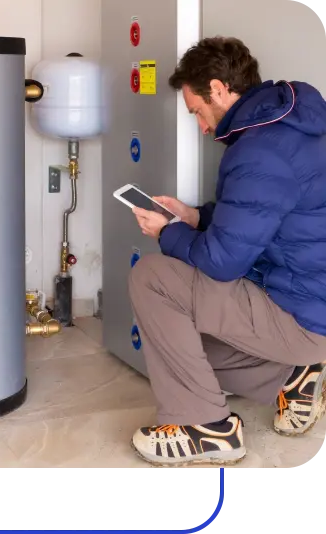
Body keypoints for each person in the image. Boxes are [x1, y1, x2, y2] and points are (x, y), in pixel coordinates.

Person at [128, 36, 326, 466]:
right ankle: (292, 376)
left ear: (218, 89)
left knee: (153, 277)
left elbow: (222, 262)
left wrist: (167, 232)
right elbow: (263, 219)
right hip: (310, 302)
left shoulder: (259, 151)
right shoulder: (287, 129)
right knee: (179, 350)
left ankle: (206, 429)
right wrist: (194, 216)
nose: (201, 126)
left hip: (302, 313)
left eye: (197, 111)